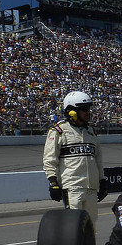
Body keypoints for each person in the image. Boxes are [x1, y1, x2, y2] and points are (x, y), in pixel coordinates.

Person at [43, 91, 107, 224]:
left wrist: (102, 180)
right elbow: (50, 160)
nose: (88, 112)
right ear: (71, 111)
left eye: (88, 109)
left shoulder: (91, 132)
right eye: (84, 109)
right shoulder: (58, 131)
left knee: (90, 227)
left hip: (91, 187)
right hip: (72, 187)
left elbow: (98, 160)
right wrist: (53, 182)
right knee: (74, 226)